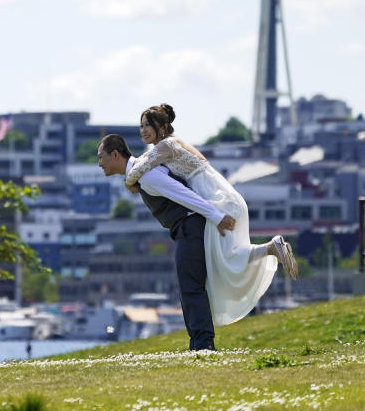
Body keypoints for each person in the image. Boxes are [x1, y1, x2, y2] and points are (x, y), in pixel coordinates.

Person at [125, 104, 298, 327]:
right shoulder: (174, 144)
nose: (143, 130)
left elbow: (139, 168)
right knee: (227, 258)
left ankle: (272, 248)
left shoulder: (166, 145)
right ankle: (272, 248)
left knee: (224, 262)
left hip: (218, 200)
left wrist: (129, 183)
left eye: (149, 125)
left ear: (164, 126)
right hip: (223, 196)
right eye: (141, 126)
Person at [97, 134, 230, 351]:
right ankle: (199, 343)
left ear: (115, 154)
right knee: (189, 287)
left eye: (100, 157)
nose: (99, 163)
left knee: (191, 288)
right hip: (185, 229)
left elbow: (184, 195)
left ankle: (203, 345)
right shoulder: (138, 174)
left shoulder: (146, 175)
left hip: (190, 226)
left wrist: (217, 216)